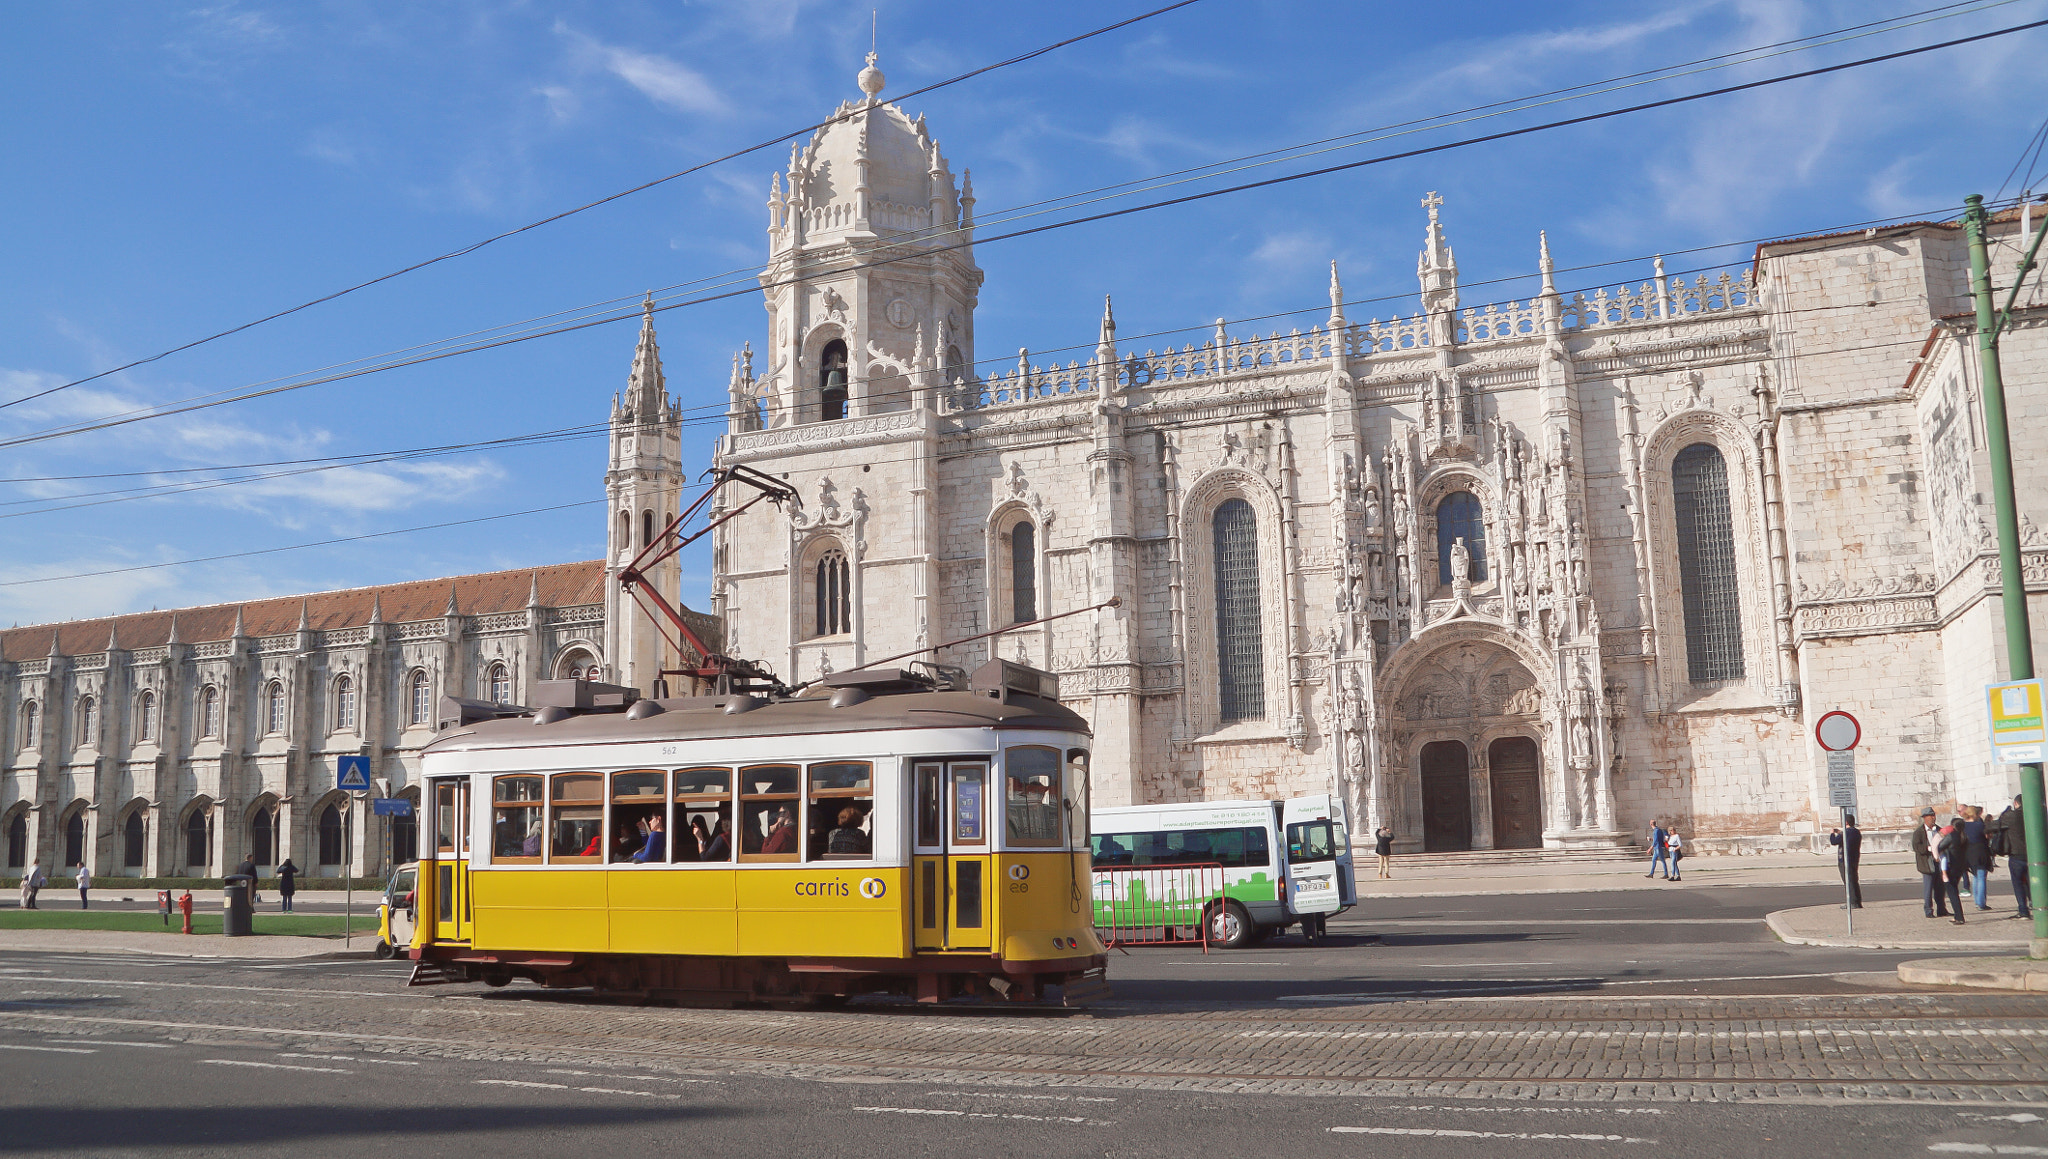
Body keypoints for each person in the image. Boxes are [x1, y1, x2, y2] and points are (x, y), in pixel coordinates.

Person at [1993, 794, 2032, 920]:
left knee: (2018, 883)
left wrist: (2005, 813)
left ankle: (2023, 910)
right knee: (2032, 882)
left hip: (2016, 855)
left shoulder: (2012, 816)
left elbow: (1998, 823)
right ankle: (2038, 906)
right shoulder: (2033, 814)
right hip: (2033, 855)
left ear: (2016, 803)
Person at [1912, 807, 1949, 918]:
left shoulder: (1939, 830)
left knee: (1940, 888)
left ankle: (1941, 909)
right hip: (1927, 864)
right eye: (1930, 816)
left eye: (1934, 815)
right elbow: (1917, 847)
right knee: (1928, 889)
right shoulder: (1919, 832)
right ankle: (1928, 910)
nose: (1933, 818)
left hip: (1939, 863)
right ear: (1924, 818)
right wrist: (1929, 848)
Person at [1937, 815, 1968, 924]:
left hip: (1950, 866)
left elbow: (1940, 846)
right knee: (1954, 890)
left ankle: (1959, 917)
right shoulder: (1964, 836)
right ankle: (1958, 915)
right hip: (1960, 867)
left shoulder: (1952, 836)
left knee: (1952, 892)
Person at [1962, 805, 1993, 911]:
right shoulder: (1979, 825)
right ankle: (1981, 903)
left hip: (1968, 853)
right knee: (1981, 877)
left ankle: (1976, 901)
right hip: (1980, 852)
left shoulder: (1963, 826)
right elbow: (1987, 837)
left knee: (1975, 876)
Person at [1829, 815, 1863, 909]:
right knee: (1854, 880)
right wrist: (1840, 833)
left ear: (1846, 822)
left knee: (1848, 881)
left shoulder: (1845, 833)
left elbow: (1834, 841)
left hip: (1844, 859)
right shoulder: (1856, 832)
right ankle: (1857, 901)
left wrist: (1832, 833)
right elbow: (1847, 839)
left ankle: (1852, 902)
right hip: (1854, 858)